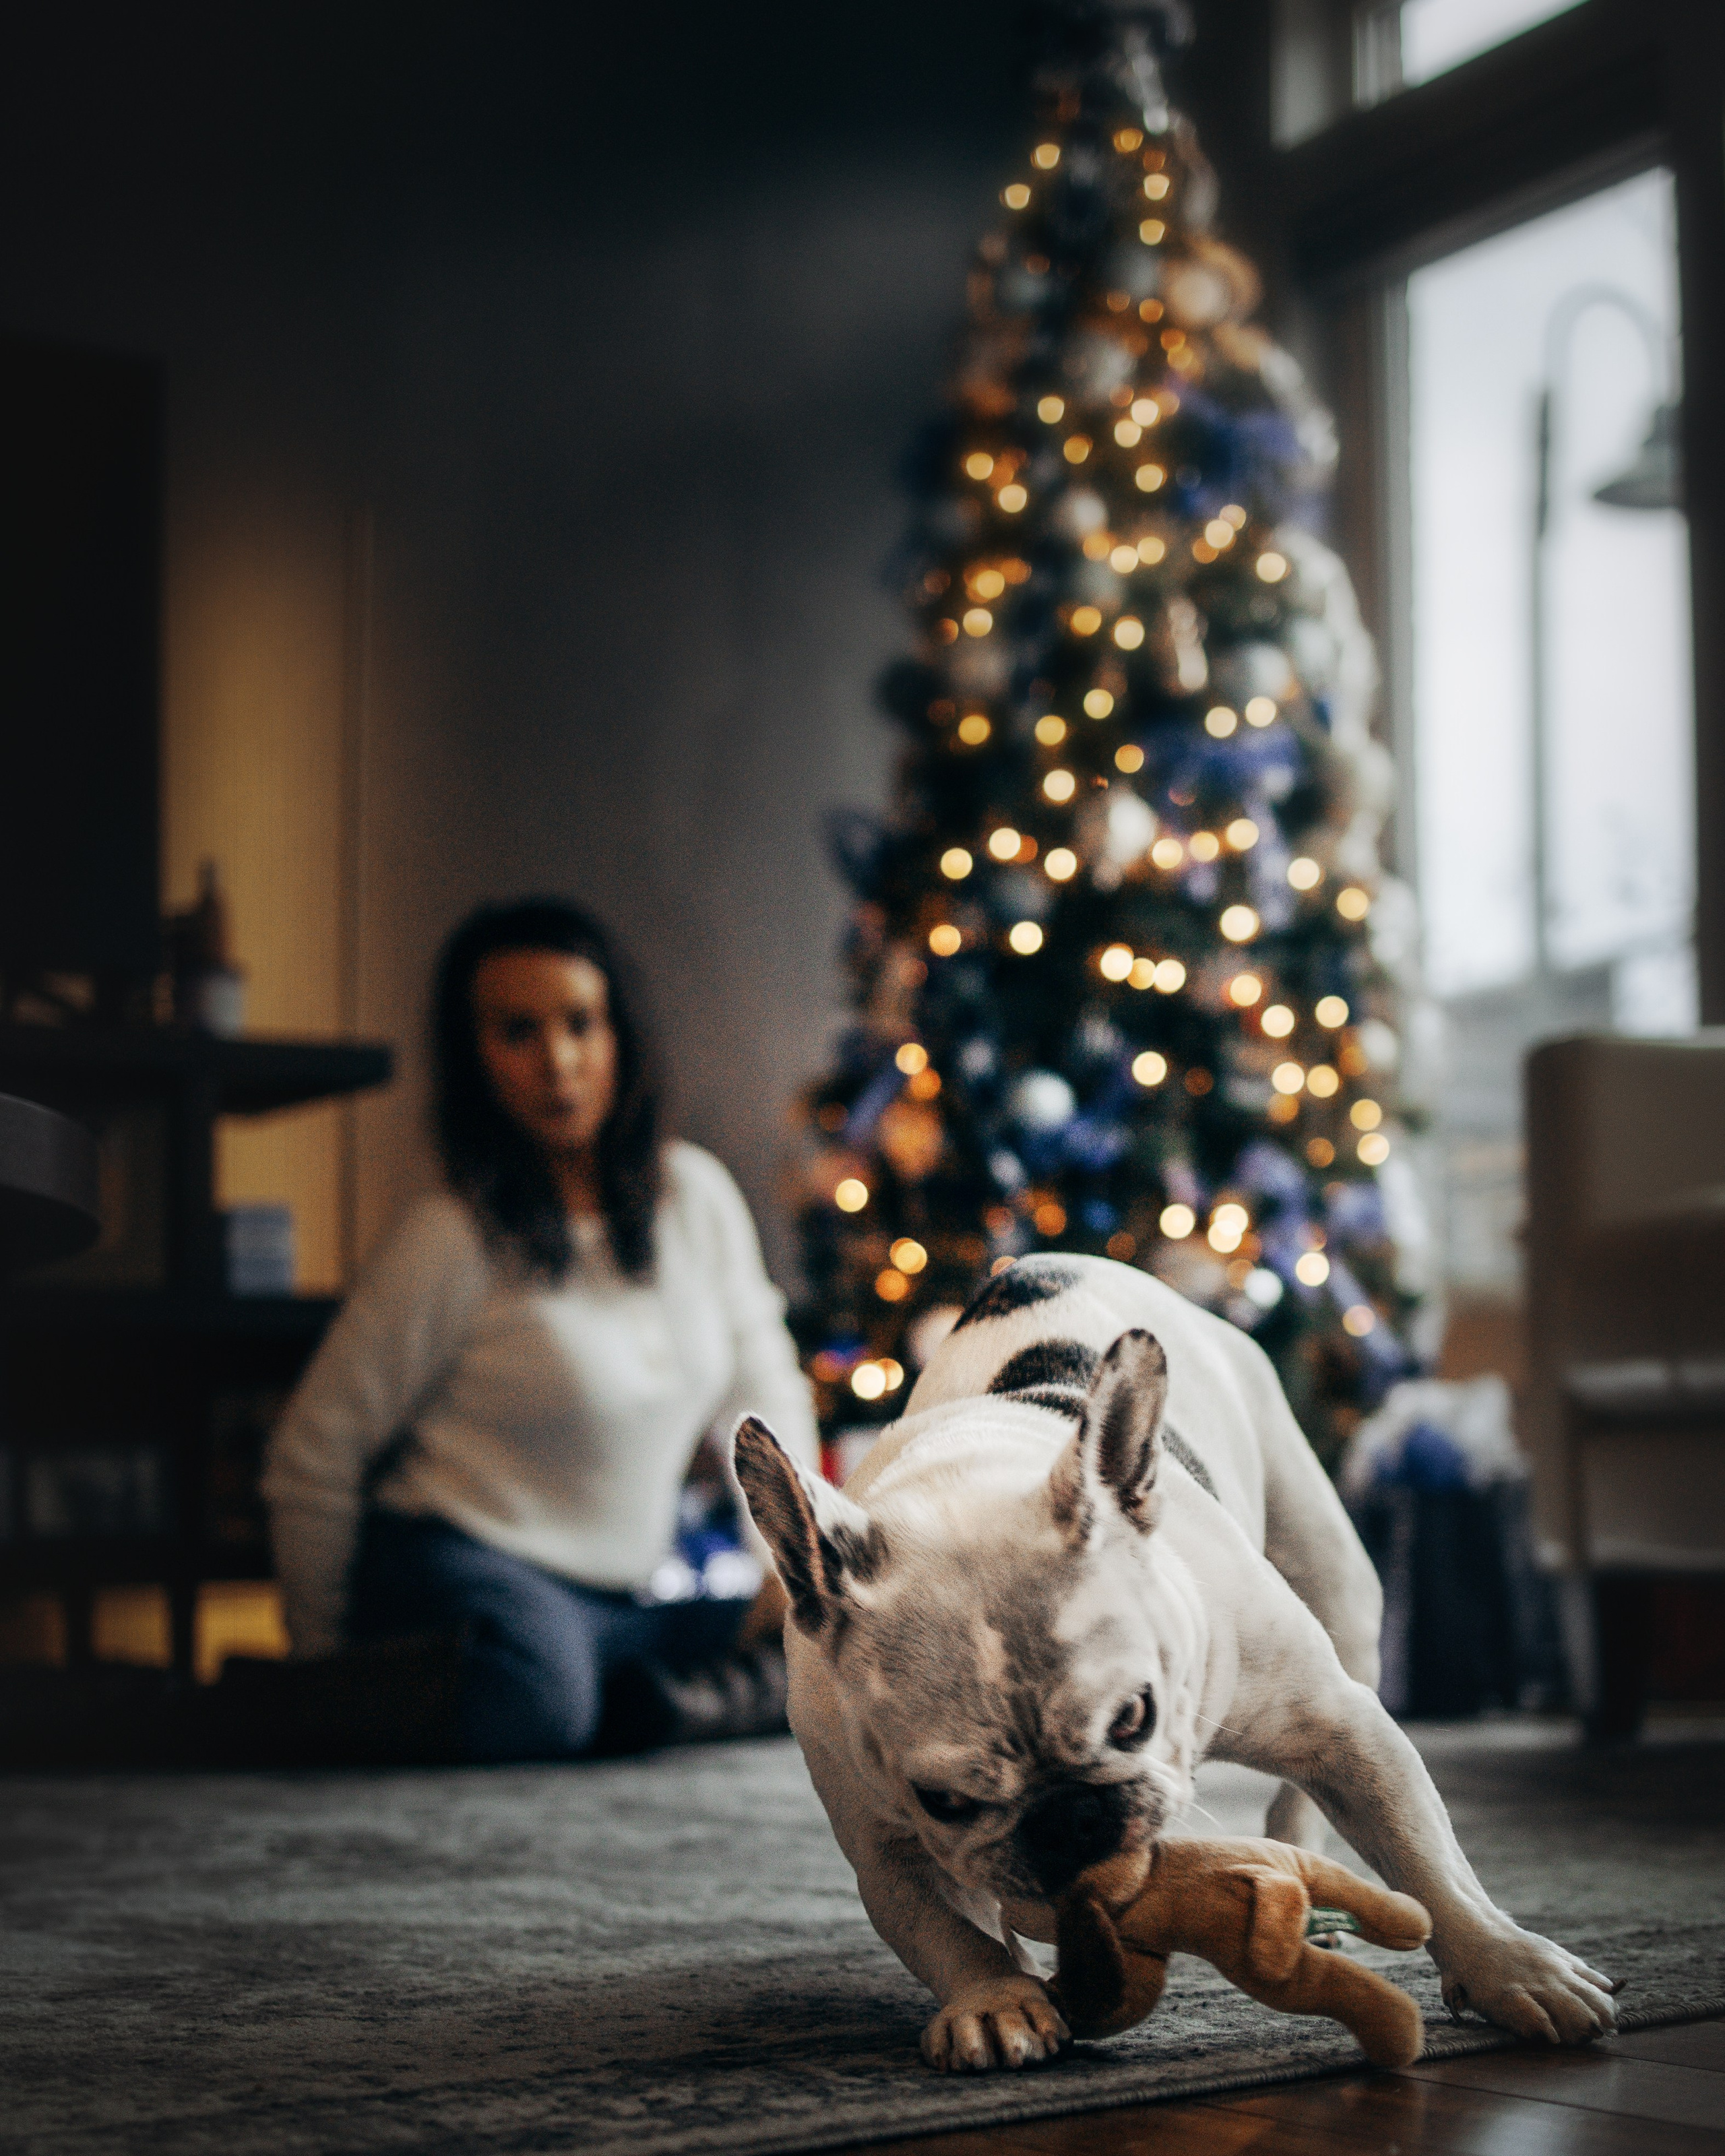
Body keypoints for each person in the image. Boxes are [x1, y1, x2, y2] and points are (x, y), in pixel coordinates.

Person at [261, 898, 820, 1763]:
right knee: (537, 1694)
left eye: (581, 1024)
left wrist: (786, 1565)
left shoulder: (694, 1196)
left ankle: (637, 1700)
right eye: (517, 1032)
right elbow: (312, 1452)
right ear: (474, 1058)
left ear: (619, 1035)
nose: (558, 1061)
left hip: (624, 1601)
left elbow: (764, 1387)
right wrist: (322, 1666)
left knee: (832, 1645)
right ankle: (636, 1704)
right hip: (459, 1570)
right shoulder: (451, 1235)